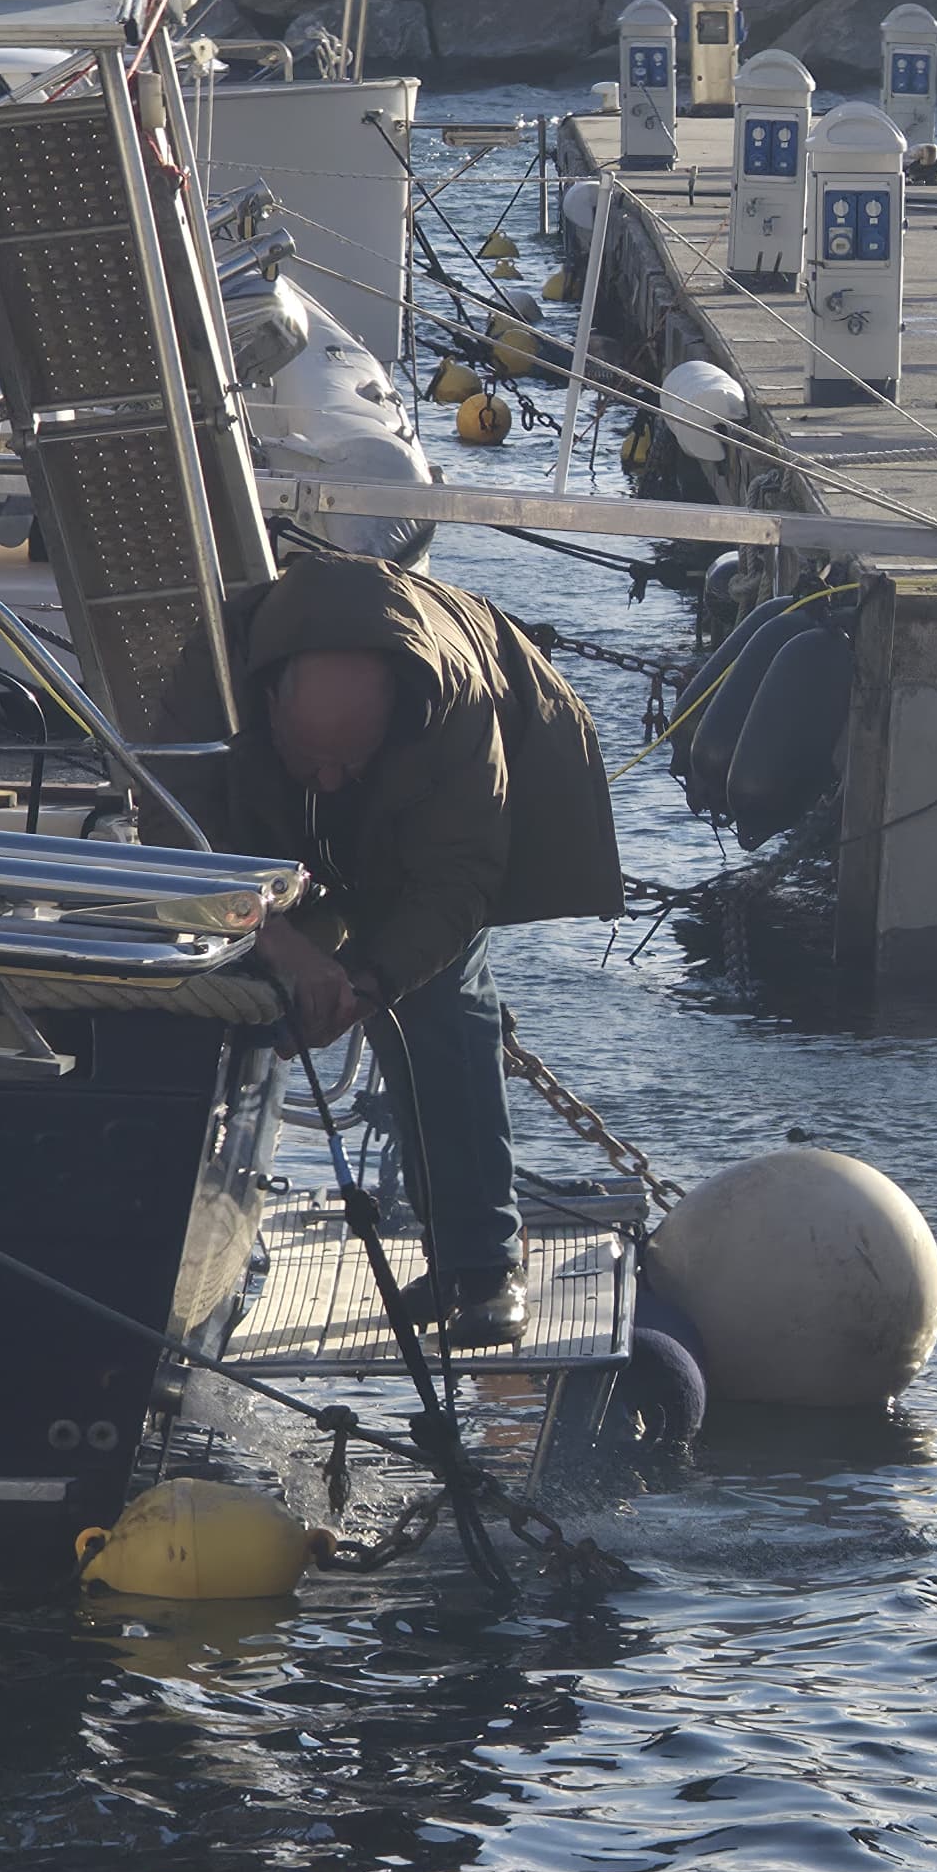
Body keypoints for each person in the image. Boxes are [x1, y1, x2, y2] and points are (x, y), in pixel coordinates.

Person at [220, 550, 622, 1344]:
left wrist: (370, 984)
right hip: (274, 828)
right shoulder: (208, 675)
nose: (330, 782)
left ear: (393, 716)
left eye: (349, 761)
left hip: (451, 804)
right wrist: (283, 944)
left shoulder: (456, 712)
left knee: (436, 1003)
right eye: (312, 760)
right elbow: (180, 837)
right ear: (268, 705)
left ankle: (481, 1265)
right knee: (217, 974)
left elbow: (457, 883)